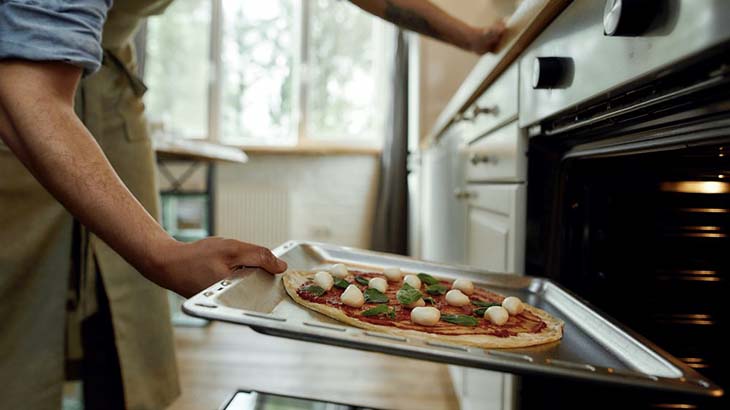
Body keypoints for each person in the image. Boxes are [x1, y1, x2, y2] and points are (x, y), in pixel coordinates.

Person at [0, 1, 505, 409]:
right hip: (25, 106)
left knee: (126, 328)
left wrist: (471, 38)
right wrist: (163, 253)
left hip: (107, 100)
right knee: (21, 328)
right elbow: (29, 90)